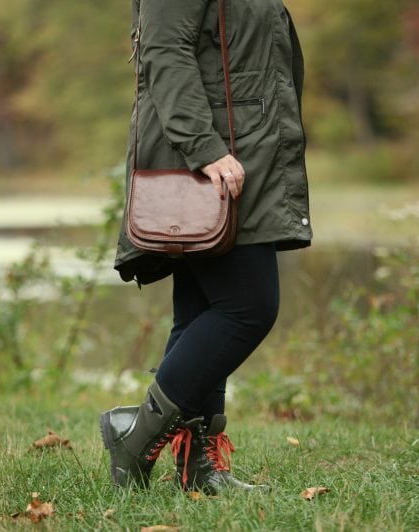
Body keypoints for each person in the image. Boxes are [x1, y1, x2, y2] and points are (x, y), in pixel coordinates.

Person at [99, 0, 311, 494]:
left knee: (201, 312)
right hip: (205, 157)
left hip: (240, 151)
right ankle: (133, 436)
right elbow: (163, 51)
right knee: (248, 307)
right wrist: (205, 147)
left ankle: (199, 469)